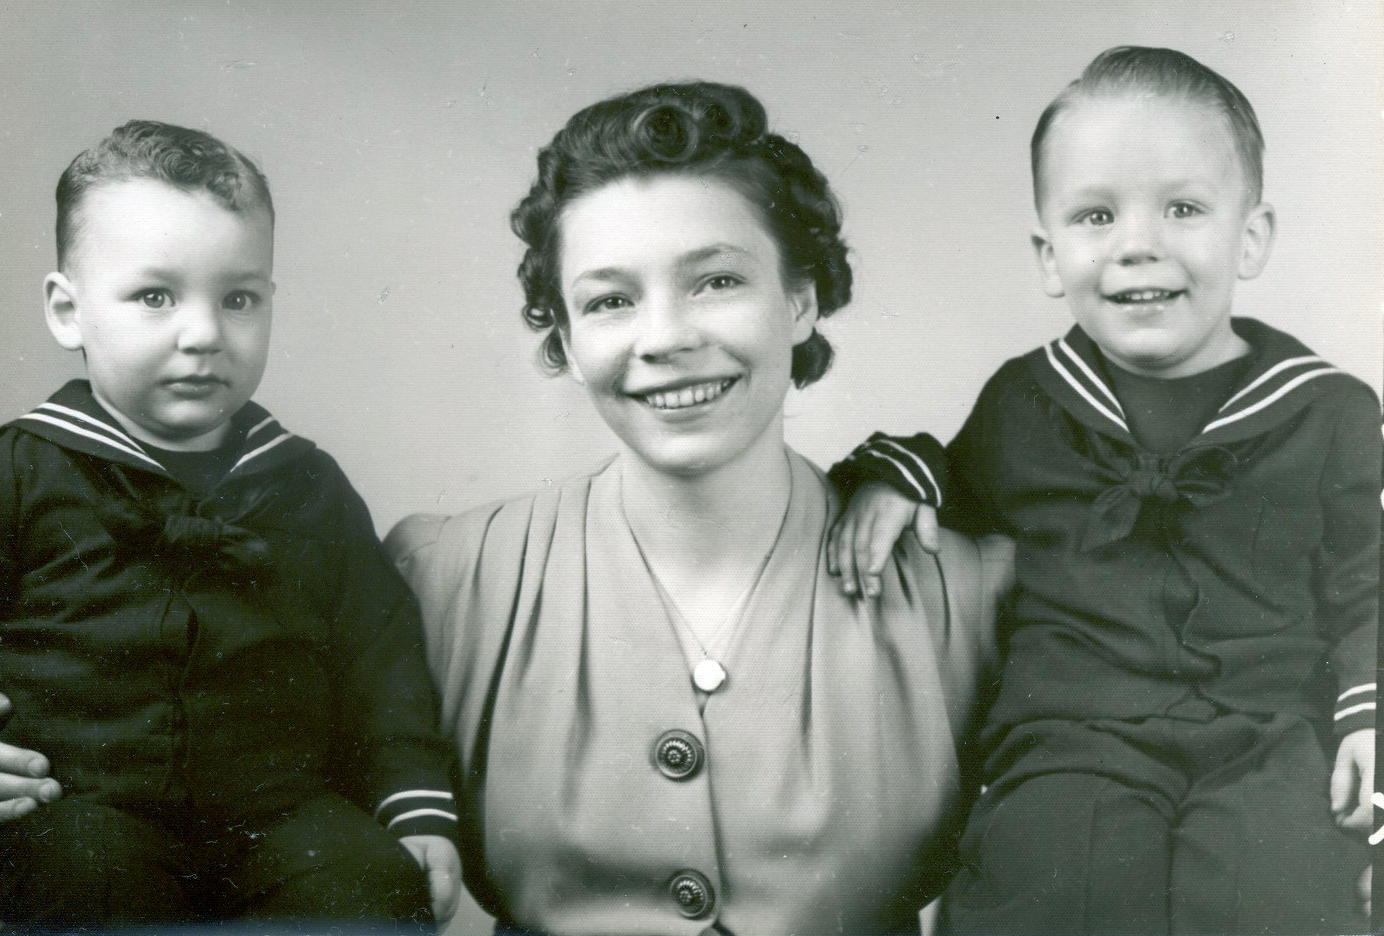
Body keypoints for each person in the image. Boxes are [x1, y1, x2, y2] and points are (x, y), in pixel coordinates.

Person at [381, 81, 1008, 933]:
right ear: (566, 340)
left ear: (800, 300)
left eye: (716, 281)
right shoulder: (442, 581)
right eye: (610, 300)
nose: (667, 337)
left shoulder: (959, 590)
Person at [827, 47, 1378, 934]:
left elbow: (1367, 583)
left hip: (1270, 736)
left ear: (1251, 237)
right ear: (1050, 256)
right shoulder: (1028, 400)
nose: (1137, 244)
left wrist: (1365, 717)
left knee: (1277, 892)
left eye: (1183, 208)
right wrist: (898, 479)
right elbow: (956, 482)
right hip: (1071, 736)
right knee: (1057, 886)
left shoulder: (1328, 410)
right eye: (1096, 215)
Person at [0, 120, 461, 929]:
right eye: (155, 297)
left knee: (369, 887)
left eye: (238, 299)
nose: (205, 334)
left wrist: (414, 805)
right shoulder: (20, 469)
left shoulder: (308, 484)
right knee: (77, 885)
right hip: (77, 808)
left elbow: (380, 662)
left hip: (277, 813)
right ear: (68, 312)